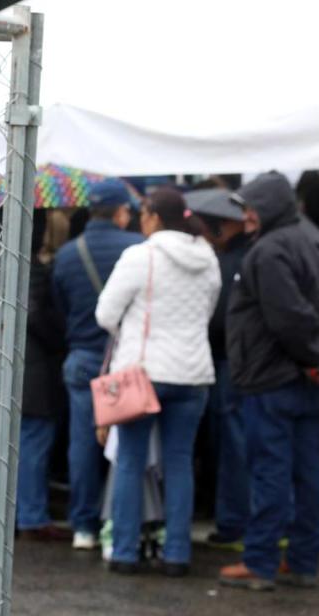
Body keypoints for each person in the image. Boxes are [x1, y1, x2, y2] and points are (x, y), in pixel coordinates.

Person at [219, 172, 319, 591]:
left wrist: (312, 356)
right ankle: (302, 560)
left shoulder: (270, 250)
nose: (246, 215)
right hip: (300, 377)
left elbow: (287, 317)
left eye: (252, 207)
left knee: (270, 471)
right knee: (307, 472)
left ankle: (260, 561)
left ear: (269, 208)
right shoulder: (308, 241)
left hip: (273, 377)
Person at [94, 188, 219, 576]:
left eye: (142, 213)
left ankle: (126, 552)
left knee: (131, 461)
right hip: (194, 371)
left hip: (143, 373)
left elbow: (105, 314)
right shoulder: (208, 258)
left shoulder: (140, 256)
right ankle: (177, 554)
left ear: (153, 216)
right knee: (179, 462)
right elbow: (208, 312)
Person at [51, 179, 144, 549]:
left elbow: (60, 307)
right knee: (128, 445)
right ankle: (120, 524)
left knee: (83, 444)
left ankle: (84, 526)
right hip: (126, 361)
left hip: (82, 357)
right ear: (122, 212)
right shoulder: (139, 248)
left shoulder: (68, 254)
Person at [186, 189, 250, 549]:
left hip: (227, 363)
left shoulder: (228, 263)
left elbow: (218, 319)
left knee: (232, 443)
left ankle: (232, 521)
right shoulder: (244, 255)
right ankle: (232, 517)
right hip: (234, 363)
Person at [16, 211, 69, 539]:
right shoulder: (30, 268)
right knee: (34, 443)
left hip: (17, 368)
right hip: (35, 370)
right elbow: (35, 315)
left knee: (22, 443)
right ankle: (31, 516)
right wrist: (61, 338)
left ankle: (23, 513)